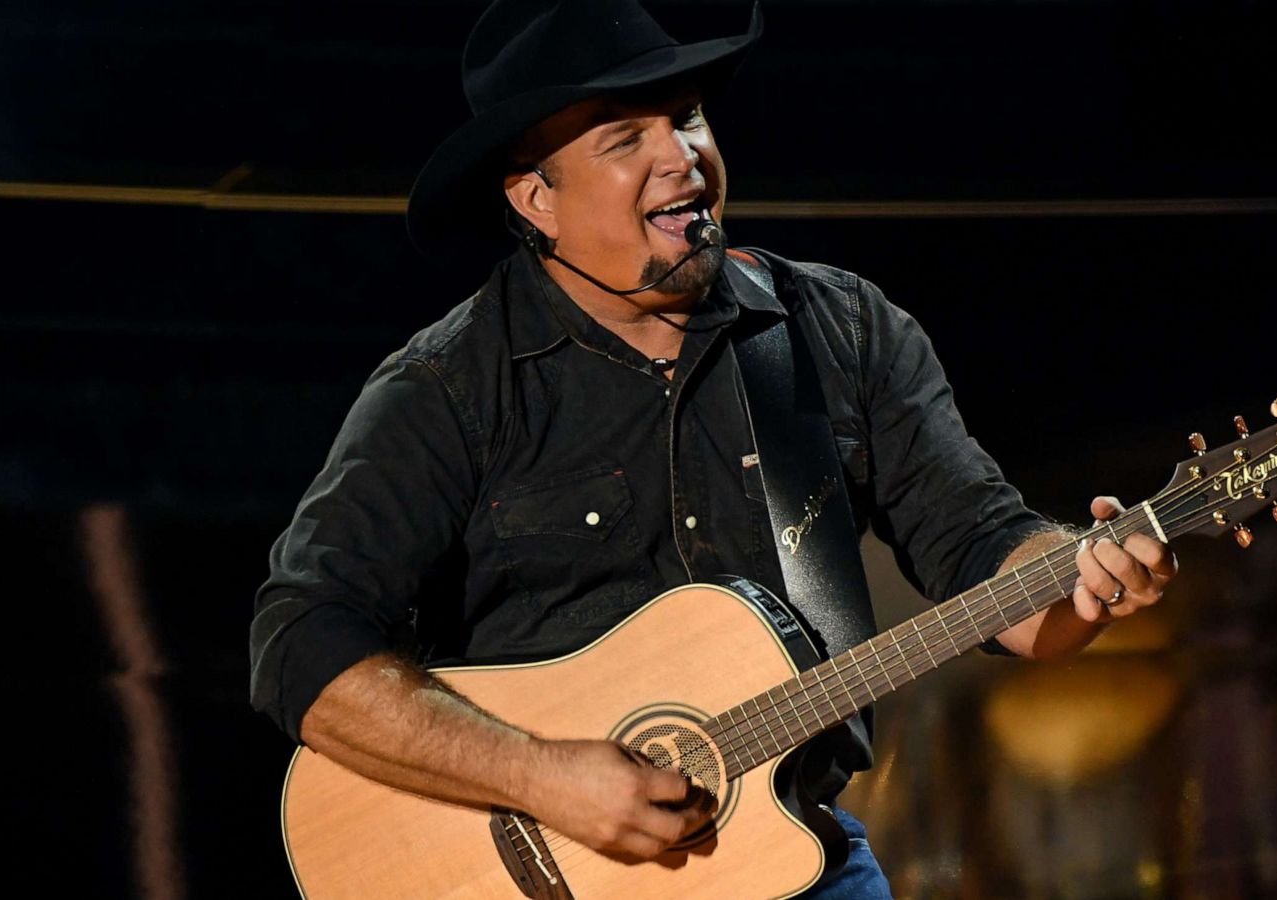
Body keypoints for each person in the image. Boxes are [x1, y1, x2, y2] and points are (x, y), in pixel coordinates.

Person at [248, 1, 1176, 896]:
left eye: (686, 118)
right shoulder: (449, 387)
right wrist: (540, 778)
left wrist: (1081, 575)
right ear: (537, 199)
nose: (681, 157)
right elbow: (301, 645)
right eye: (623, 139)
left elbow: (988, 562)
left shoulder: (839, 331)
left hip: (792, 858)